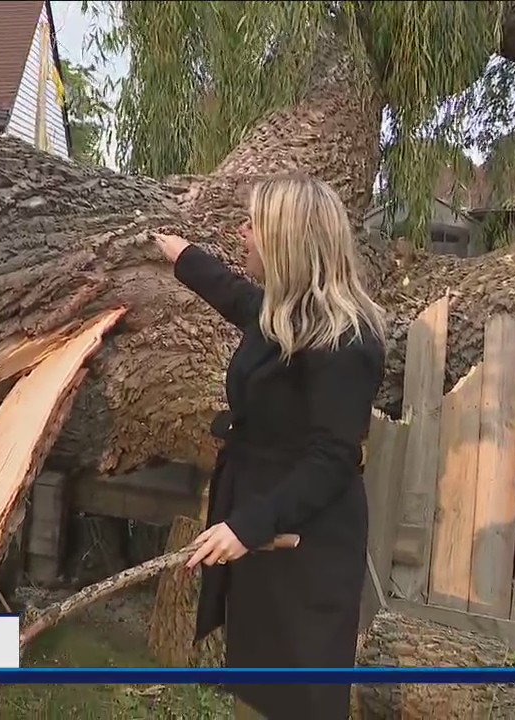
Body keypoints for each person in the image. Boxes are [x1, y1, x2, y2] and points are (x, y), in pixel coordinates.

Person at [151, 175, 387, 720]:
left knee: (296, 699)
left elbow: (333, 459)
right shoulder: (287, 316)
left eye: (254, 224)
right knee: (255, 694)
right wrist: (182, 254)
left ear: (287, 240)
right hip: (262, 531)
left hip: (304, 548)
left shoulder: (345, 341)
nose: (244, 233)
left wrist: (247, 526)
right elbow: (237, 296)